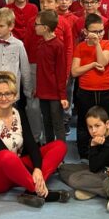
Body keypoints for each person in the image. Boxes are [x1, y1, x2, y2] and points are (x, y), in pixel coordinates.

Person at [0, 71, 68, 208]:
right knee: (6, 156)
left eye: (7, 93)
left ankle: (33, 187)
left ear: (14, 96)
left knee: (59, 145)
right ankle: (40, 191)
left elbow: (31, 145)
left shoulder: (18, 114)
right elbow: (0, 153)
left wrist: (37, 169)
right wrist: (31, 172)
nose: (3, 98)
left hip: (18, 171)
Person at [72, 13, 109, 157]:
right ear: (86, 31)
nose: (98, 34)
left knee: (108, 121)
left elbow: (102, 61)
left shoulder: (108, 44)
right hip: (86, 90)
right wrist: (91, 65)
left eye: (101, 31)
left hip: (106, 90)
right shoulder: (80, 47)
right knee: (84, 121)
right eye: (94, 31)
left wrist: (97, 44)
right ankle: (85, 152)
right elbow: (74, 71)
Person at [59, 106, 109, 200]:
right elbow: (93, 162)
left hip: (107, 174)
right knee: (63, 168)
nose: (93, 131)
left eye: (97, 126)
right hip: (97, 167)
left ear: (107, 124)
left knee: (73, 180)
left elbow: (93, 168)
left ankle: (107, 190)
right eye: (90, 127)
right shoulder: (99, 134)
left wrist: (93, 145)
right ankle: (91, 189)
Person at [34, 10, 69, 144]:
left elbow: (61, 73)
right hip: (43, 92)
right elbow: (40, 70)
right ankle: (49, 148)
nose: (35, 27)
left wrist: (62, 95)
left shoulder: (58, 46)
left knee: (57, 123)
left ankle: (61, 150)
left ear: (45, 28)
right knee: (46, 122)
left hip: (55, 94)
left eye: (37, 24)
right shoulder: (40, 44)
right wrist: (37, 89)